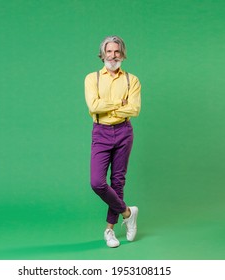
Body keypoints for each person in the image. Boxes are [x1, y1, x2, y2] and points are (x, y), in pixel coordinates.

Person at [84, 35, 141, 248]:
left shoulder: (131, 80)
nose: (113, 55)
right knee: (97, 182)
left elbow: (134, 109)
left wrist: (107, 105)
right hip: (101, 132)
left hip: (124, 131)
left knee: (117, 181)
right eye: (109, 51)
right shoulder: (92, 78)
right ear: (103, 54)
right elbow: (93, 106)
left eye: (117, 51)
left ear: (122, 54)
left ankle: (110, 230)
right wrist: (119, 103)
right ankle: (128, 212)